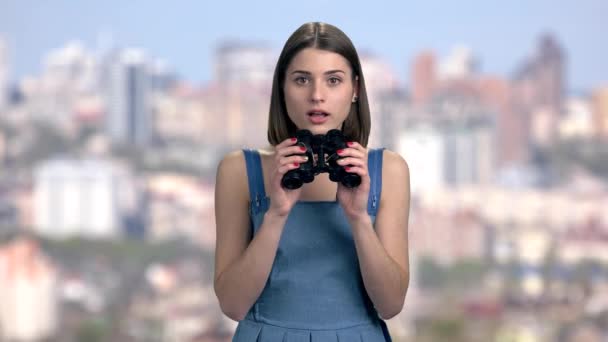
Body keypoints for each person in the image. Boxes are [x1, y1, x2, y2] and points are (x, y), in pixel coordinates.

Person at [214, 22, 410, 342]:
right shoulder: (238, 171)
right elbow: (233, 305)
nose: (317, 96)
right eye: (302, 80)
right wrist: (276, 214)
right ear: (282, 88)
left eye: (333, 80)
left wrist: (358, 217)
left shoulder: (389, 171)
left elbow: (390, 304)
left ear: (355, 89)